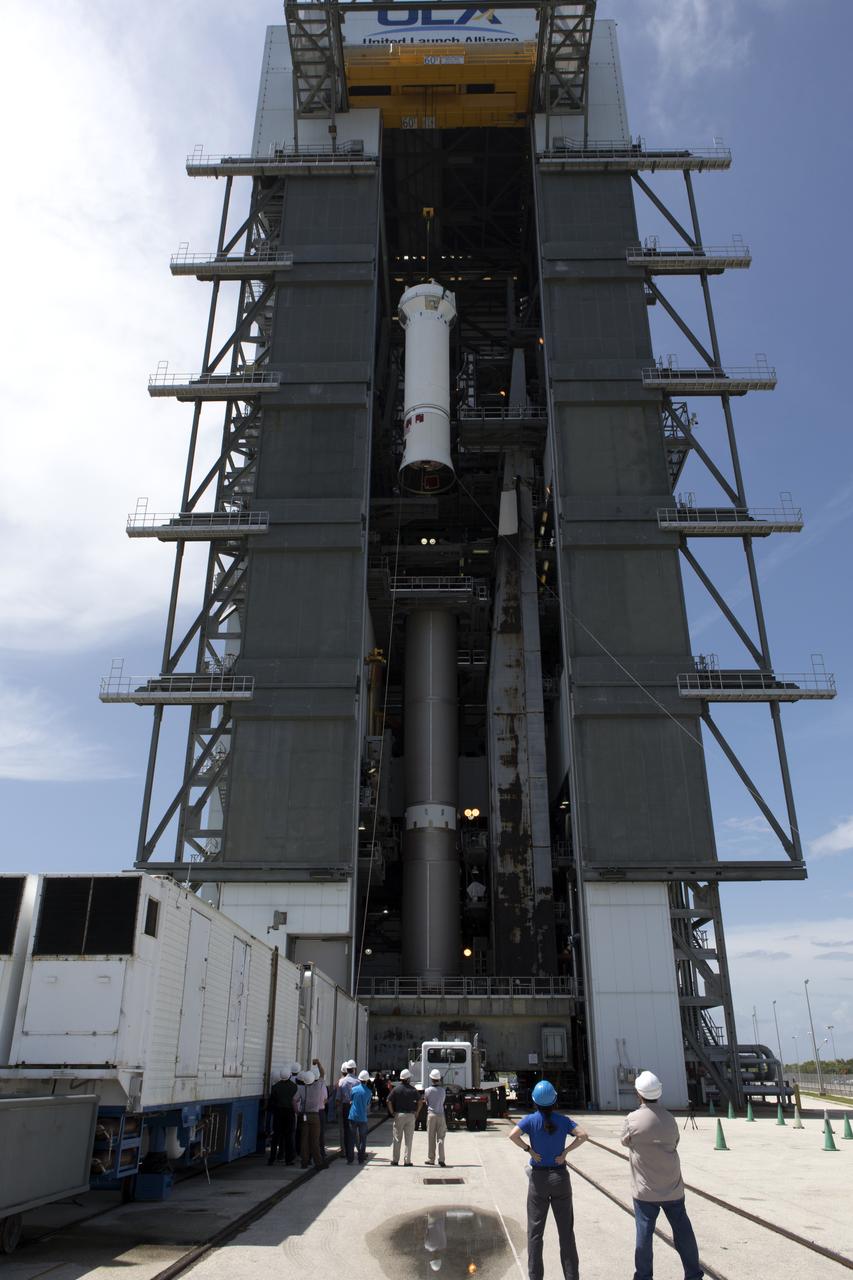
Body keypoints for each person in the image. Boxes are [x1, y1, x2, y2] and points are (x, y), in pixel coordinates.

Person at [620, 1070, 703, 1280]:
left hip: (645, 1190)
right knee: (683, 1232)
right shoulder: (670, 1119)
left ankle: (643, 1276)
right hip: (673, 1187)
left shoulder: (632, 1119)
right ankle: (694, 1274)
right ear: (659, 1093)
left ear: (638, 1094)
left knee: (644, 1234)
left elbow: (624, 1141)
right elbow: (675, 1142)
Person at [509, 1079, 587, 1280]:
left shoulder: (530, 1120)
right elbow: (583, 1135)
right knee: (566, 1233)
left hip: (539, 1180)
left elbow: (513, 1135)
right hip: (560, 1177)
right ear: (554, 1100)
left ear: (534, 1101)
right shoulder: (563, 1121)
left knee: (535, 1233)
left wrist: (529, 1150)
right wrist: (565, 1152)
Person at [296, 1068, 329, 1170]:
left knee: (304, 1140)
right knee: (314, 1140)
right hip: (315, 1116)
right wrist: (318, 1063)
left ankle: (304, 1162)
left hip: (304, 1116)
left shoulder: (301, 1089)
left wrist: (297, 1111)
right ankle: (318, 1162)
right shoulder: (318, 1086)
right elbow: (322, 1074)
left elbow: (294, 1100)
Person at [387, 1067, 419, 1166]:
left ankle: (395, 1160)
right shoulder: (413, 1090)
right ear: (408, 1079)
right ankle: (407, 1161)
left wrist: (392, 1112)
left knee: (397, 1138)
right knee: (408, 1140)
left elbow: (388, 1101)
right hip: (410, 1115)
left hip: (399, 1115)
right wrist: (417, 1112)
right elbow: (420, 1101)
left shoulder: (396, 1089)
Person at [267, 1065, 298, 1165]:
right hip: (289, 1113)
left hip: (278, 1113)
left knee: (276, 1136)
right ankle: (289, 1159)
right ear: (289, 1076)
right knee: (289, 1137)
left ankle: (272, 1158)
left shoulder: (275, 1087)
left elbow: (272, 1101)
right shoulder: (294, 1086)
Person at [419, 1067, 448, 1167]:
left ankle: (431, 1159)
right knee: (441, 1138)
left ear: (431, 1079)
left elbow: (426, 1102)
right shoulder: (443, 1091)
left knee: (431, 1137)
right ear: (439, 1079)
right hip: (441, 1115)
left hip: (431, 1115)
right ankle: (441, 1159)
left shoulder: (427, 1090)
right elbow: (442, 1101)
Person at [336, 1059, 359, 1164]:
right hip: (355, 1107)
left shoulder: (341, 1082)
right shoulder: (358, 1082)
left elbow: (338, 1098)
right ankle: (359, 1151)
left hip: (345, 1107)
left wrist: (337, 1109)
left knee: (346, 1131)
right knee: (355, 1129)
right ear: (354, 1069)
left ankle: (348, 1154)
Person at [349, 1069, 373, 1164]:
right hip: (363, 1117)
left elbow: (350, 1099)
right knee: (363, 1139)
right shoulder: (369, 1092)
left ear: (359, 1079)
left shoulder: (354, 1089)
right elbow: (367, 1104)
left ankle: (350, 1159)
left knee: (352, 1138)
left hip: (353, 1116)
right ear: (367, 1080)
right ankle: (361, 1159)